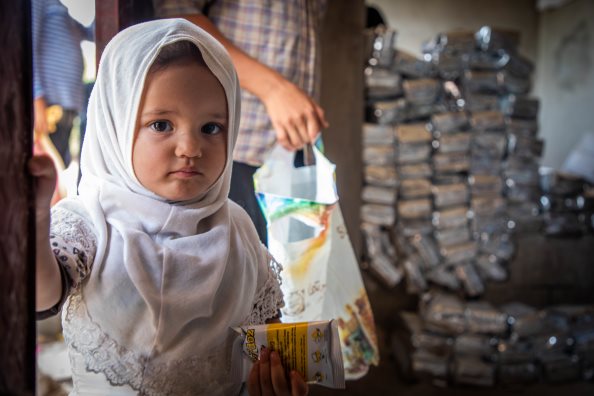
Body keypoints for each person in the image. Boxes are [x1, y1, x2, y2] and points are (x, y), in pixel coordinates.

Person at [30, 19, 307, 395]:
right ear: (117, 126)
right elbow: (42, 297)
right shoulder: (88, 224)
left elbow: (264, 342)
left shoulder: (237, 230)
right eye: (161, 125)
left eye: (211, 128)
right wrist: (36, 217)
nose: (190, 148)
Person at [153, 0, 330, 244]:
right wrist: (273, 90)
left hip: (297, 151)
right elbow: (178, 16)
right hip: (234, 150)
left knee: (291, 272)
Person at [32, 0, 94, 167]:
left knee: (58, 165)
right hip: (49, 107)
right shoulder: (37, 2)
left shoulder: (60, 9)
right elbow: (29, 46)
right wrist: (37, 98)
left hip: (67, 106)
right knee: (48, 166)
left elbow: (92, 33)